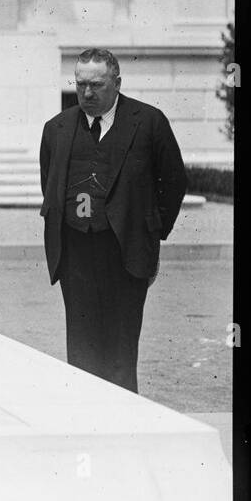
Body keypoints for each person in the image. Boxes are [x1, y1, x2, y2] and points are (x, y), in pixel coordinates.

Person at [39, 48, 187, 392]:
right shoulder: (56, 128)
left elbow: (174, 181)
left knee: (121, 349)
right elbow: (50, 182)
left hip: (125, 253)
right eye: (80, 85)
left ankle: (123, 426)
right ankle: (86, 420)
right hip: (74, 252)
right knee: (81, 348)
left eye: (97, 85)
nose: (88, 93)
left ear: (117, 82)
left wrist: (150, 231)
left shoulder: (149, 122)